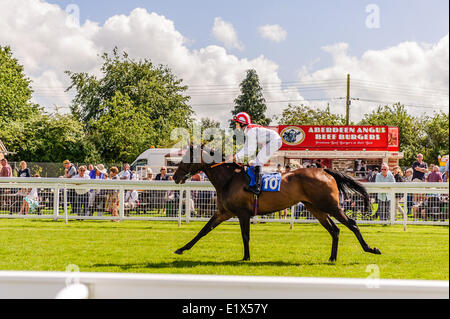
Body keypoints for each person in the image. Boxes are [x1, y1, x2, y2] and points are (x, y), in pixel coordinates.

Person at [230, 111, 282, 195]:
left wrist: (235, 157)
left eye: (237, 123)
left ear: (242, 123)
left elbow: (250, 150)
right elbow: (246, 148)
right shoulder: (249, 130)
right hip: (273, 141)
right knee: (255, 162)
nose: (236, 125)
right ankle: (255, 184)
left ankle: (257, 187)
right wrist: (235, 156)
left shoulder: (250, 131)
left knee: (258, 162)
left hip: (274, 141)